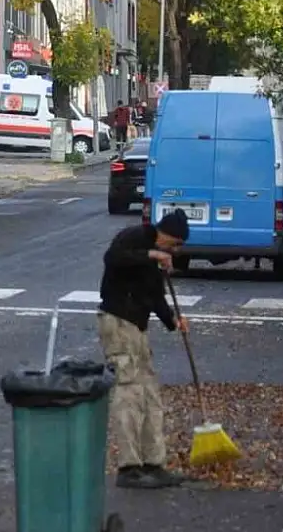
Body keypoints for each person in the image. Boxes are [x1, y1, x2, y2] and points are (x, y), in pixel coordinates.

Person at [98, 208, 191, 489]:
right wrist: (152, 255)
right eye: (173, 244)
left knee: (150, 394)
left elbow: (154, 296)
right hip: (118, 322)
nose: (173, 250)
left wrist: (173, 321)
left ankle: (154, 462)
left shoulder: (156, 260)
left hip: (138, 327)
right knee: (128, 394)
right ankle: (129, 467)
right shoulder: (135, 236)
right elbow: (112, 258)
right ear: (163, 234)